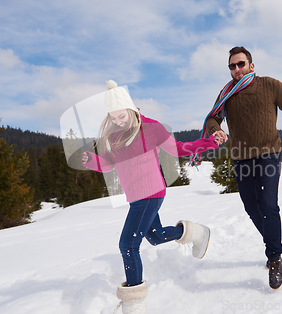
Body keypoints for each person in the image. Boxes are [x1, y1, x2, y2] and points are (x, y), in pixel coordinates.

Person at [81, 80, 220, 314]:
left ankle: (134, 304)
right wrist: (93, 161)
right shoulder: (113, 137)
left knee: (128, 245)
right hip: (135, 197)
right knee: (155, 237)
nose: (118, 121)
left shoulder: (152, 128)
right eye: (113, 118)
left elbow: (178, 148)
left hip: (151, 193)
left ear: (130, 108)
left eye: (121, 116)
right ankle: (197, 232)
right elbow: (108, 165)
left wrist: (208, 142)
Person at [202, 46, 282, 289]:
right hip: (241, 158)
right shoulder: (227, 92)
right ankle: (272, 241)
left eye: (241, 64)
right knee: (251, 207)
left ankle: (274, 257)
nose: (236, 69)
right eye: (232, 66)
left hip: (268, 155)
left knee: (268, 204)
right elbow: (212, 117)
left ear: (251, 65)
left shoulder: (271, 86)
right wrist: (216, 129)